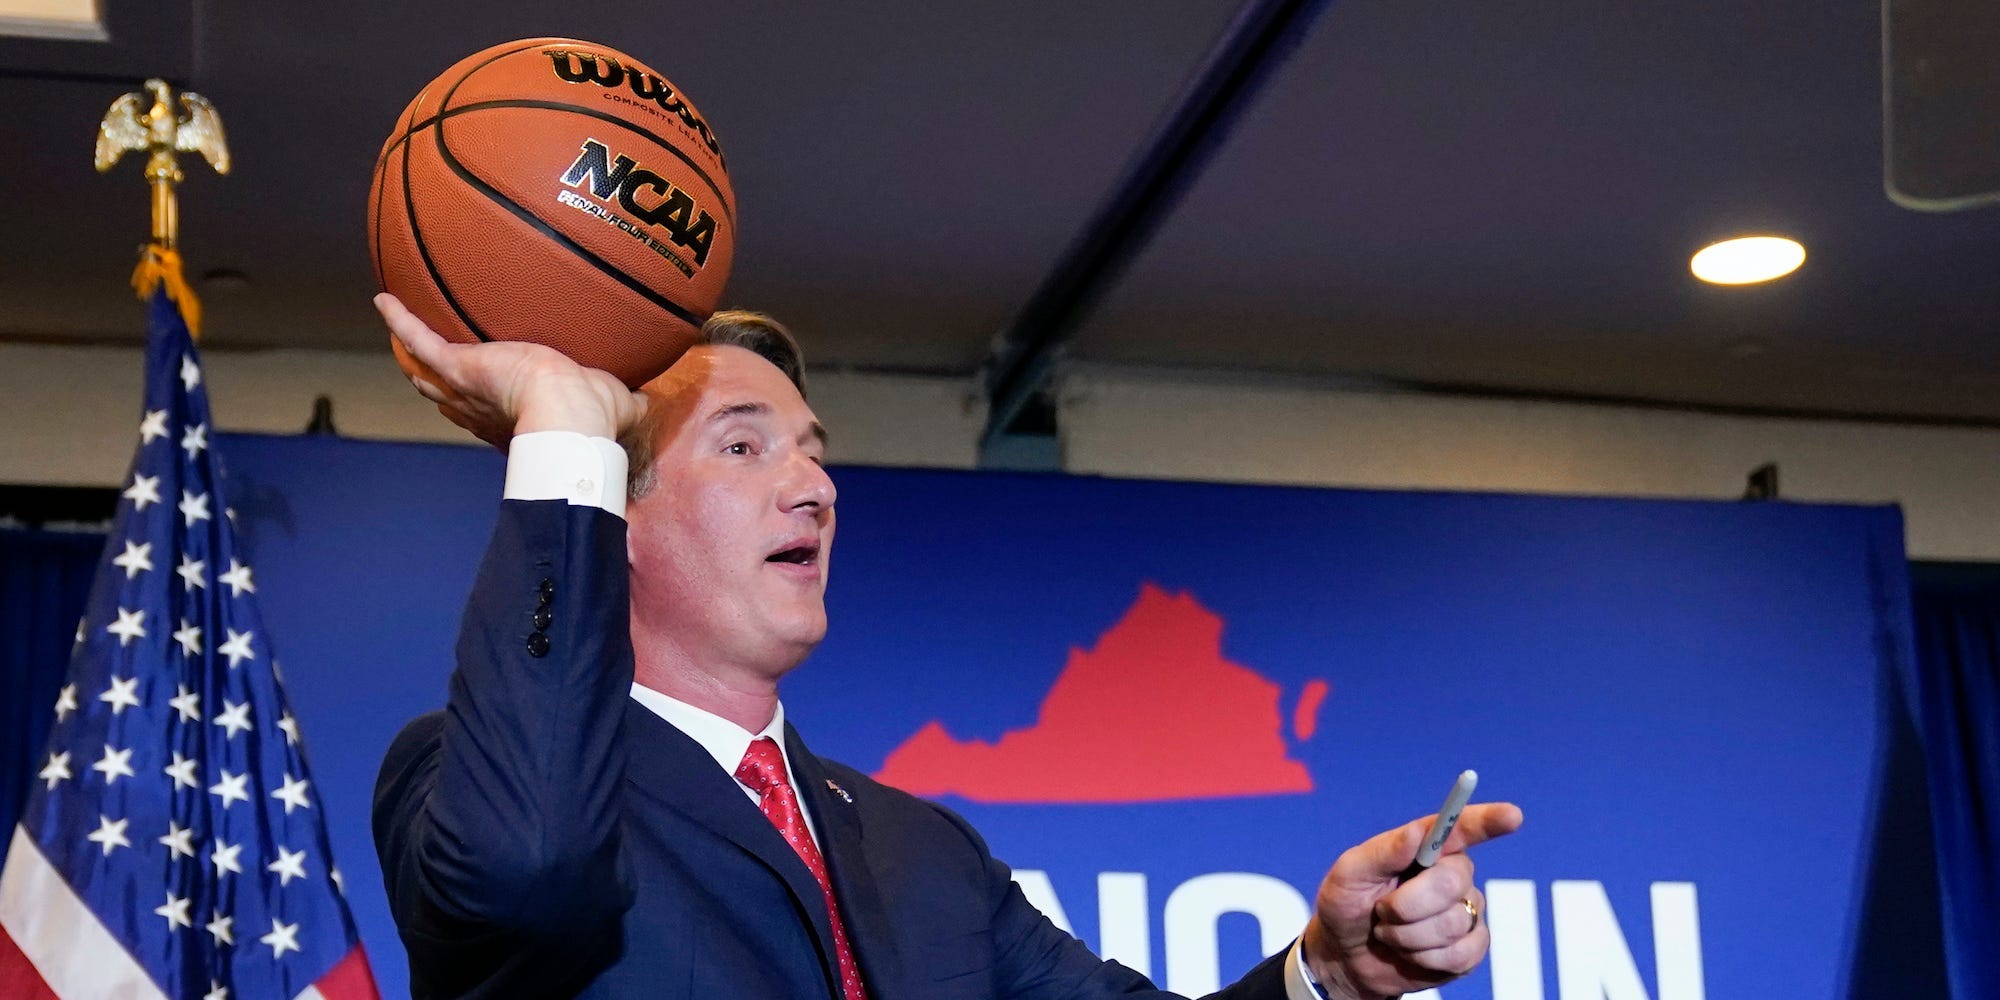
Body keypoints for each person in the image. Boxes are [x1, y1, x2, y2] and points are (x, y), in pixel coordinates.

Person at [370, 292, 1524, 1000]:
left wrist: (1330, 972)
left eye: (812, 450)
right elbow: (528, 875)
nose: (812, 484)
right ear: (617, 512)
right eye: (742, 446)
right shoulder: (470, 777)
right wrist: (565, 438)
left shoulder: (922, 851)